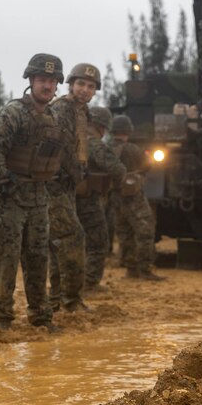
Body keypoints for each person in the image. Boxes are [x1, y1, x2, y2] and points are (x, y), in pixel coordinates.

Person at [0, 53, 65, 330]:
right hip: (9, 199)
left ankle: (40, 315)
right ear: (31, 81)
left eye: (52, 81)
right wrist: (5, 178)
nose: (47, 86)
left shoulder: (54, 117)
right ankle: (2, 318)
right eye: (42, 80)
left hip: (39, 198)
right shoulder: (13, 112)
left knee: (38, 257)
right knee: (6, 258)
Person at [47, 63, 100, 312]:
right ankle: (71, 300)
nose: (84, 90)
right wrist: (77, 170)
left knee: (60, 241)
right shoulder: (61, 108)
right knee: (72, 236)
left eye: (90, 86)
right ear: (70, 84)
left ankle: (57, 299)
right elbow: (62, 147)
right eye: (80, 84)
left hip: (68, 183)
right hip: (53, 183)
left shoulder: (83, 112)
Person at [109, 114, 166, 281]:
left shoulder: (106, 148)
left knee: (124, 232)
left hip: (114, 196)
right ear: (128, 131)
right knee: (145, 230)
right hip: (133, 196)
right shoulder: (131, 149)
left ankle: (131, 269)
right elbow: (147, 165)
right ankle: (145, 269)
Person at [76, 106, 125, 292]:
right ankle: (89, 283)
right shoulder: (95, 144)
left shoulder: (72, 140)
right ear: (102, 127)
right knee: (98, 242)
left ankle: (70, 283)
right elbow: (118, 170)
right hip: (89, 200)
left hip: (66, 199)